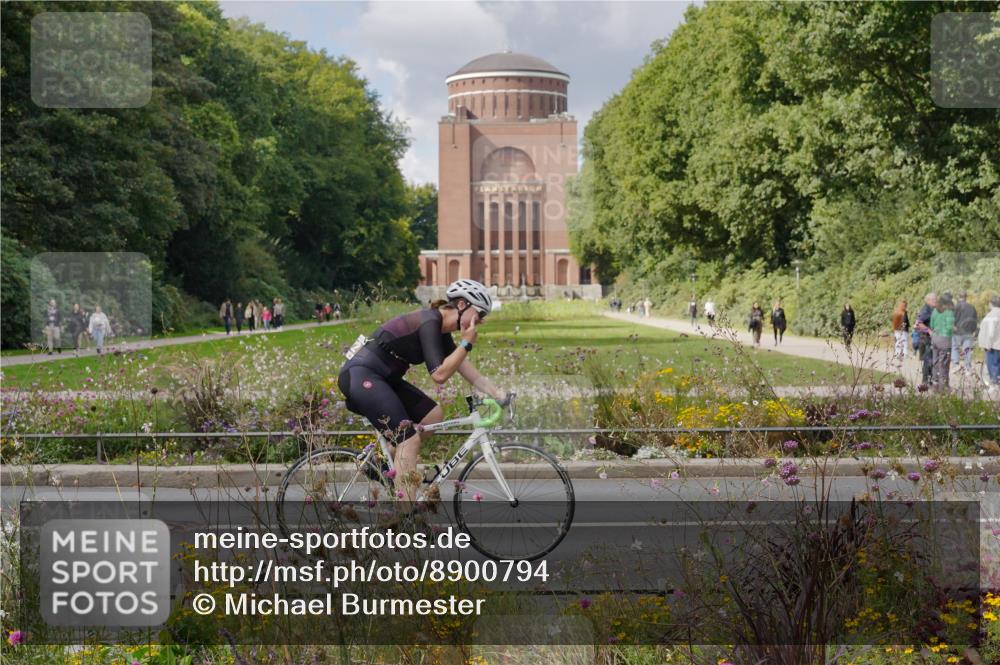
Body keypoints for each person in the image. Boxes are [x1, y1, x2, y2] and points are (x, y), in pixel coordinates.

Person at [338, 279, 508, 504]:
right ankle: (406, 519)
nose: (481, 321)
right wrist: (466, 344)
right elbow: (439, 374)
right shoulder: (429, 322)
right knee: (409, 440)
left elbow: (465, 369)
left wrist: (497, 393)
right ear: (461, 305)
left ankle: (383, 464)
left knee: (433, 416)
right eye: (479, 314)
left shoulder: (441, 330)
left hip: (383, 378)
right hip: (362, 376)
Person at [930, 292, 955, 390]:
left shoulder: (935, 311)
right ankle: (944, 385)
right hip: (945, 339)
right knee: (944, 362)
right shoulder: (949, 312)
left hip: (935, 338)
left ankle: (935, 381)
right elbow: (949, 327)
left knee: (935, 361)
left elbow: (931, 325)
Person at [951, 291, 978, 374]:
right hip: (968, 332)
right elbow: (975, 320)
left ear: (958, 297)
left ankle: (956, 365)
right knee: (967, 350)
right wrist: (973, 331)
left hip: (957, 332)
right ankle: (968, 368)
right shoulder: (972, 308)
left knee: (955, 347)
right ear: (966, 297)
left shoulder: (955, 307)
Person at [977, 295, 1000, 387]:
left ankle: (994, 385)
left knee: (993, 365)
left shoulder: (992, 315)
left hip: (993, 345)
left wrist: (988, 345)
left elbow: (991, 333)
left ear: (991, 304)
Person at [915, 293, 937, 386]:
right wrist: (929, 331)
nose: (936, 301)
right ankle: (925, 381)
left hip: (929, 339)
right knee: (928, 360)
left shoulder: (931, 309)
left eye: (936, 299)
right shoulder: (926, 309)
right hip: (926, 339)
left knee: (931, 360)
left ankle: (929, 380)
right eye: (934, 299)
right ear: (928, 300)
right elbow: (918, 323)